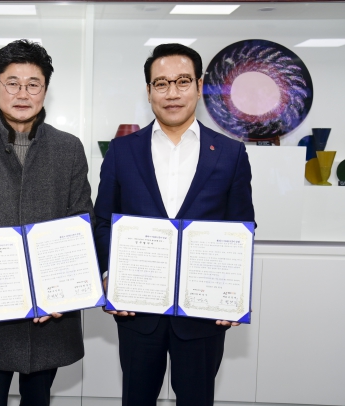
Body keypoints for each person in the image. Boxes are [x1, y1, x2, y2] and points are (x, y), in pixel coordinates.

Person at [93, 43, 255, 406]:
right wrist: (108, 275)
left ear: (199, 86)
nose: (172, 93)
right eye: (161, 83)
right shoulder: (122, 151)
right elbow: (103, 221)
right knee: (137, 398)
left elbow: (241, 227)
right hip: (137, 310)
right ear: (149, 90)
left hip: (203, 313)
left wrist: (233, 294)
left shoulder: (230, 153)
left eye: (182, 81)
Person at [0, 40, 94, 406]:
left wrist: (66, 286)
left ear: (45, 89)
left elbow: (82, 222)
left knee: (39, 396)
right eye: (12, 83)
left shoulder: (69, 148)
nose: (23, 93)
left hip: (52, 308)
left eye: (33, 84)